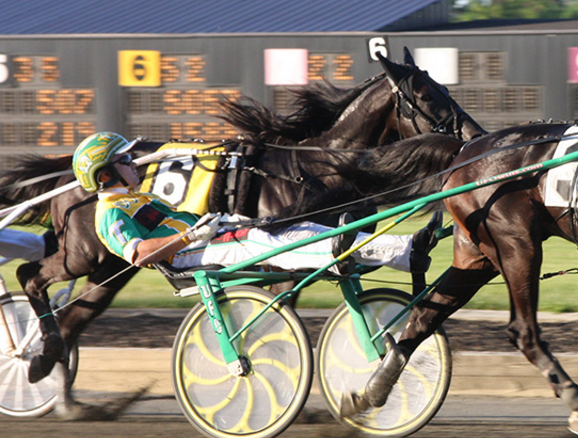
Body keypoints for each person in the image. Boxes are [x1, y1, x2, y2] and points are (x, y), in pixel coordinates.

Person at [28, 131, 441, 382]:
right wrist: (191, 234)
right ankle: (349, 252)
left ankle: (403, 250)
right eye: (124, 160)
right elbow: (138, 254)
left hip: (213, 235)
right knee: (281, 244)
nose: (134, 162)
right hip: (193, 256)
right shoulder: (110, 215)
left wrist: (209, 222)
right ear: (105, 175)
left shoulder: (139, 196)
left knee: (291, 230)